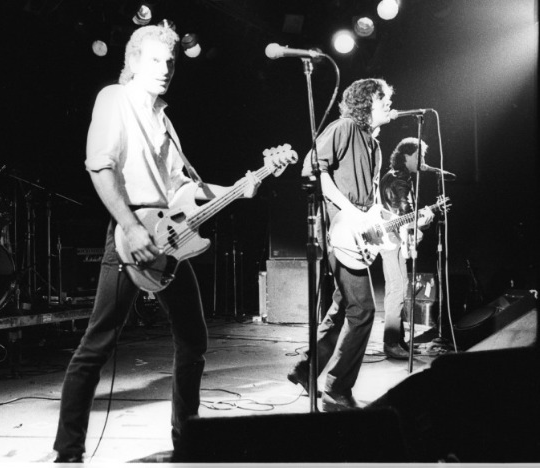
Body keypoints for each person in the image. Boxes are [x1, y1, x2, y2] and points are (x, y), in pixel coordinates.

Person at [53, 23, 274, 462]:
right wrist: (130, 228)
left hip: (169, 234)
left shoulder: (164, 120)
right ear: (134, 62)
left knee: (193, 340)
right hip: (131, 229)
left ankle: (187, 441)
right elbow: (99, 166)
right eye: (156, 60)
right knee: (98, 343)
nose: (166, 68)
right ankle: (68, 452)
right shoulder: (114, 99)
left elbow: (181, 187)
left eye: (171, 61)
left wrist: (239, 189)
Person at [288, 78, 394, 412]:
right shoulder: (344, 127)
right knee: (362, 310)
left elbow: (371, 199)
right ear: (366, 102)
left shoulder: (375, 145)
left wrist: (381, 222)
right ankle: (336, 389)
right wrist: (349, 210)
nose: (389, 103)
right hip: (339, 229)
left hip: (359, 231)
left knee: (344, 305)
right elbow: (313, 167)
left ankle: (306, 368)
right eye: (383, 98)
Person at [380, 137, 435, 359]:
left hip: (390, 237)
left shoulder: (394, 176)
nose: (422, 160)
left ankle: (398, 341)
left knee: (397, 288)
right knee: (398, 289)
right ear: (406, 156)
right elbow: (405, 217)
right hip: (391, 239)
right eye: (419, 155)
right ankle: (391, 343)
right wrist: (425, 220)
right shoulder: (400, 180)